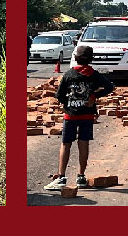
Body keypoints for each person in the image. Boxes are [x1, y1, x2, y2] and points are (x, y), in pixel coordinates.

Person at [44, 45, 114, 191]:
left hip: (70, 115)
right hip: (87, 115)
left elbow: (59, 95)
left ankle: (62, 177)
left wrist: (68, 103)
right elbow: (109, 86)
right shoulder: (94, 74)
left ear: (75, 58)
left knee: (66, 144)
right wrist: (94, 96)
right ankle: (81, 176)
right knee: (84, 143)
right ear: (91, 59)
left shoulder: (69, 74)